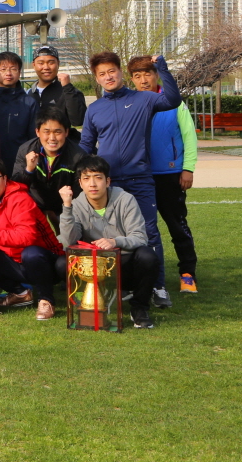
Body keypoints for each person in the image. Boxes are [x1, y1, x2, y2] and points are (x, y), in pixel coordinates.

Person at [79, 51, 180, 308]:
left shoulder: (144, 99)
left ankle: (158, 287)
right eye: (102, 74)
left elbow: (172, 99)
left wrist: (164, 69)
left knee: (149, 232)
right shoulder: (95, 110)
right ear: (97, 78)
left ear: (120, 71)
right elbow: (86, 146)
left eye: (111, 71)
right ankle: (122, 286)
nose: (108, 76)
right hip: (109, 183)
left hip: (140, 178)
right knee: (111, 235)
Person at [58, 155, 160, 329]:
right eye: (86, 179)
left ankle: (139, 308)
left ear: (107, 181)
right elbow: (68, 242)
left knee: (148, 256)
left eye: (98, 178)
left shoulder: (125, 199)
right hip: (93, 265)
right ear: (80, 184)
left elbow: (140, 237)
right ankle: (87, 304)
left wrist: (115, 241)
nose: (92, 184)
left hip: (123, 262)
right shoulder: (75, 205)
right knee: (61, 263)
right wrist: (67, 207)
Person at [128, 55, 199, 295]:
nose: (143, 80)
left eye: (147, 73)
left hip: (170, 175)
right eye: (137, 76)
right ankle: (145, 278)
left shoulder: (174, 102)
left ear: (156, 75)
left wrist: (187, 168)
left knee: (177, 226)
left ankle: (187, 273)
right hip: (140, 176)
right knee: (141, 230)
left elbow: (189, 136)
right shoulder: (131, 103)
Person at [0, 157, 66, 320]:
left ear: (5, 179)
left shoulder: (20, 198)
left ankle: (46, 300)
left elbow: (27, 237)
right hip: (16, 262)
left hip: (47, 261)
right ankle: (21, 293)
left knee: (31, 253)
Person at [11, 108, 84, 227]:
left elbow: (80, 191)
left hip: (65, 207)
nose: (52, 138)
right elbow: (16, 188)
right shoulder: (25, 150)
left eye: (57, 132)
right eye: (46, 131)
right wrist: (29, 170)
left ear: (66, 132)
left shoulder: (78, 156)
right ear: (37, 132)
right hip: (35, 207)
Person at [29, 46, 86, 144]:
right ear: (34, 65)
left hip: (64, 149)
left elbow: (78, 121)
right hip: (37, 150)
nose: (46, 67)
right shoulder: (29, 94)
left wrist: (68, 88)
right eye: (41, 63)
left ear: (58, 64)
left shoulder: (69, 91)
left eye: (51, 62)